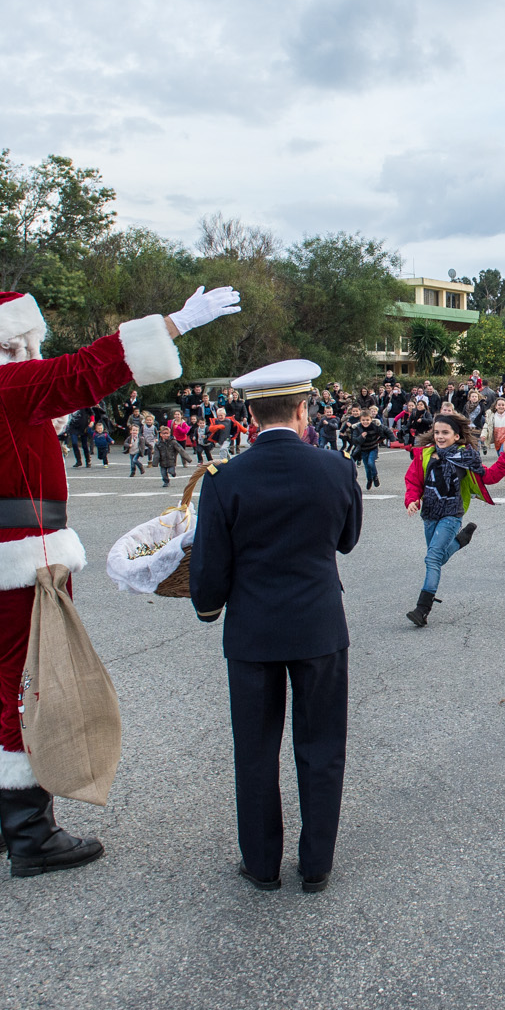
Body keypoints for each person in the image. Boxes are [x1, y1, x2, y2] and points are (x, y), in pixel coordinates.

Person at [0, 284, 238, 878]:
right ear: (11, 343)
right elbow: (88, 368)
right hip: (15, 568)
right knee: (28, 692)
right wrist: (173, 323)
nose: (35, 354)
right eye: (29, 343)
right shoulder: (4, 387)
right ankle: (29, 834)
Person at [189, 359, 361, 893]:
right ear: (303, 408)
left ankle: (261, 863)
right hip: (317, 624)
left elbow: (210, 566)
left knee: (256, 749)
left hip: (253, 629)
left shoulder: (224, 476)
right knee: (322, 745)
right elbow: (347, 540)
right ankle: (316, 865)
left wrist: (207, 606)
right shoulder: (335, 467)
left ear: (248, 413)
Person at [403, 411, 505, 626]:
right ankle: (461, 541)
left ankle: (422, 608)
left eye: (445, 433)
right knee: (438, 558)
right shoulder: (424, 455)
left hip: (452, 514)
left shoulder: (465, 456)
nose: (440, 437)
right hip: (430, 514)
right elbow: (413, 481)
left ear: (457, 436)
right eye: (437, 433)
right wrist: (412, 500)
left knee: (432, 559)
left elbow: (487, 477)